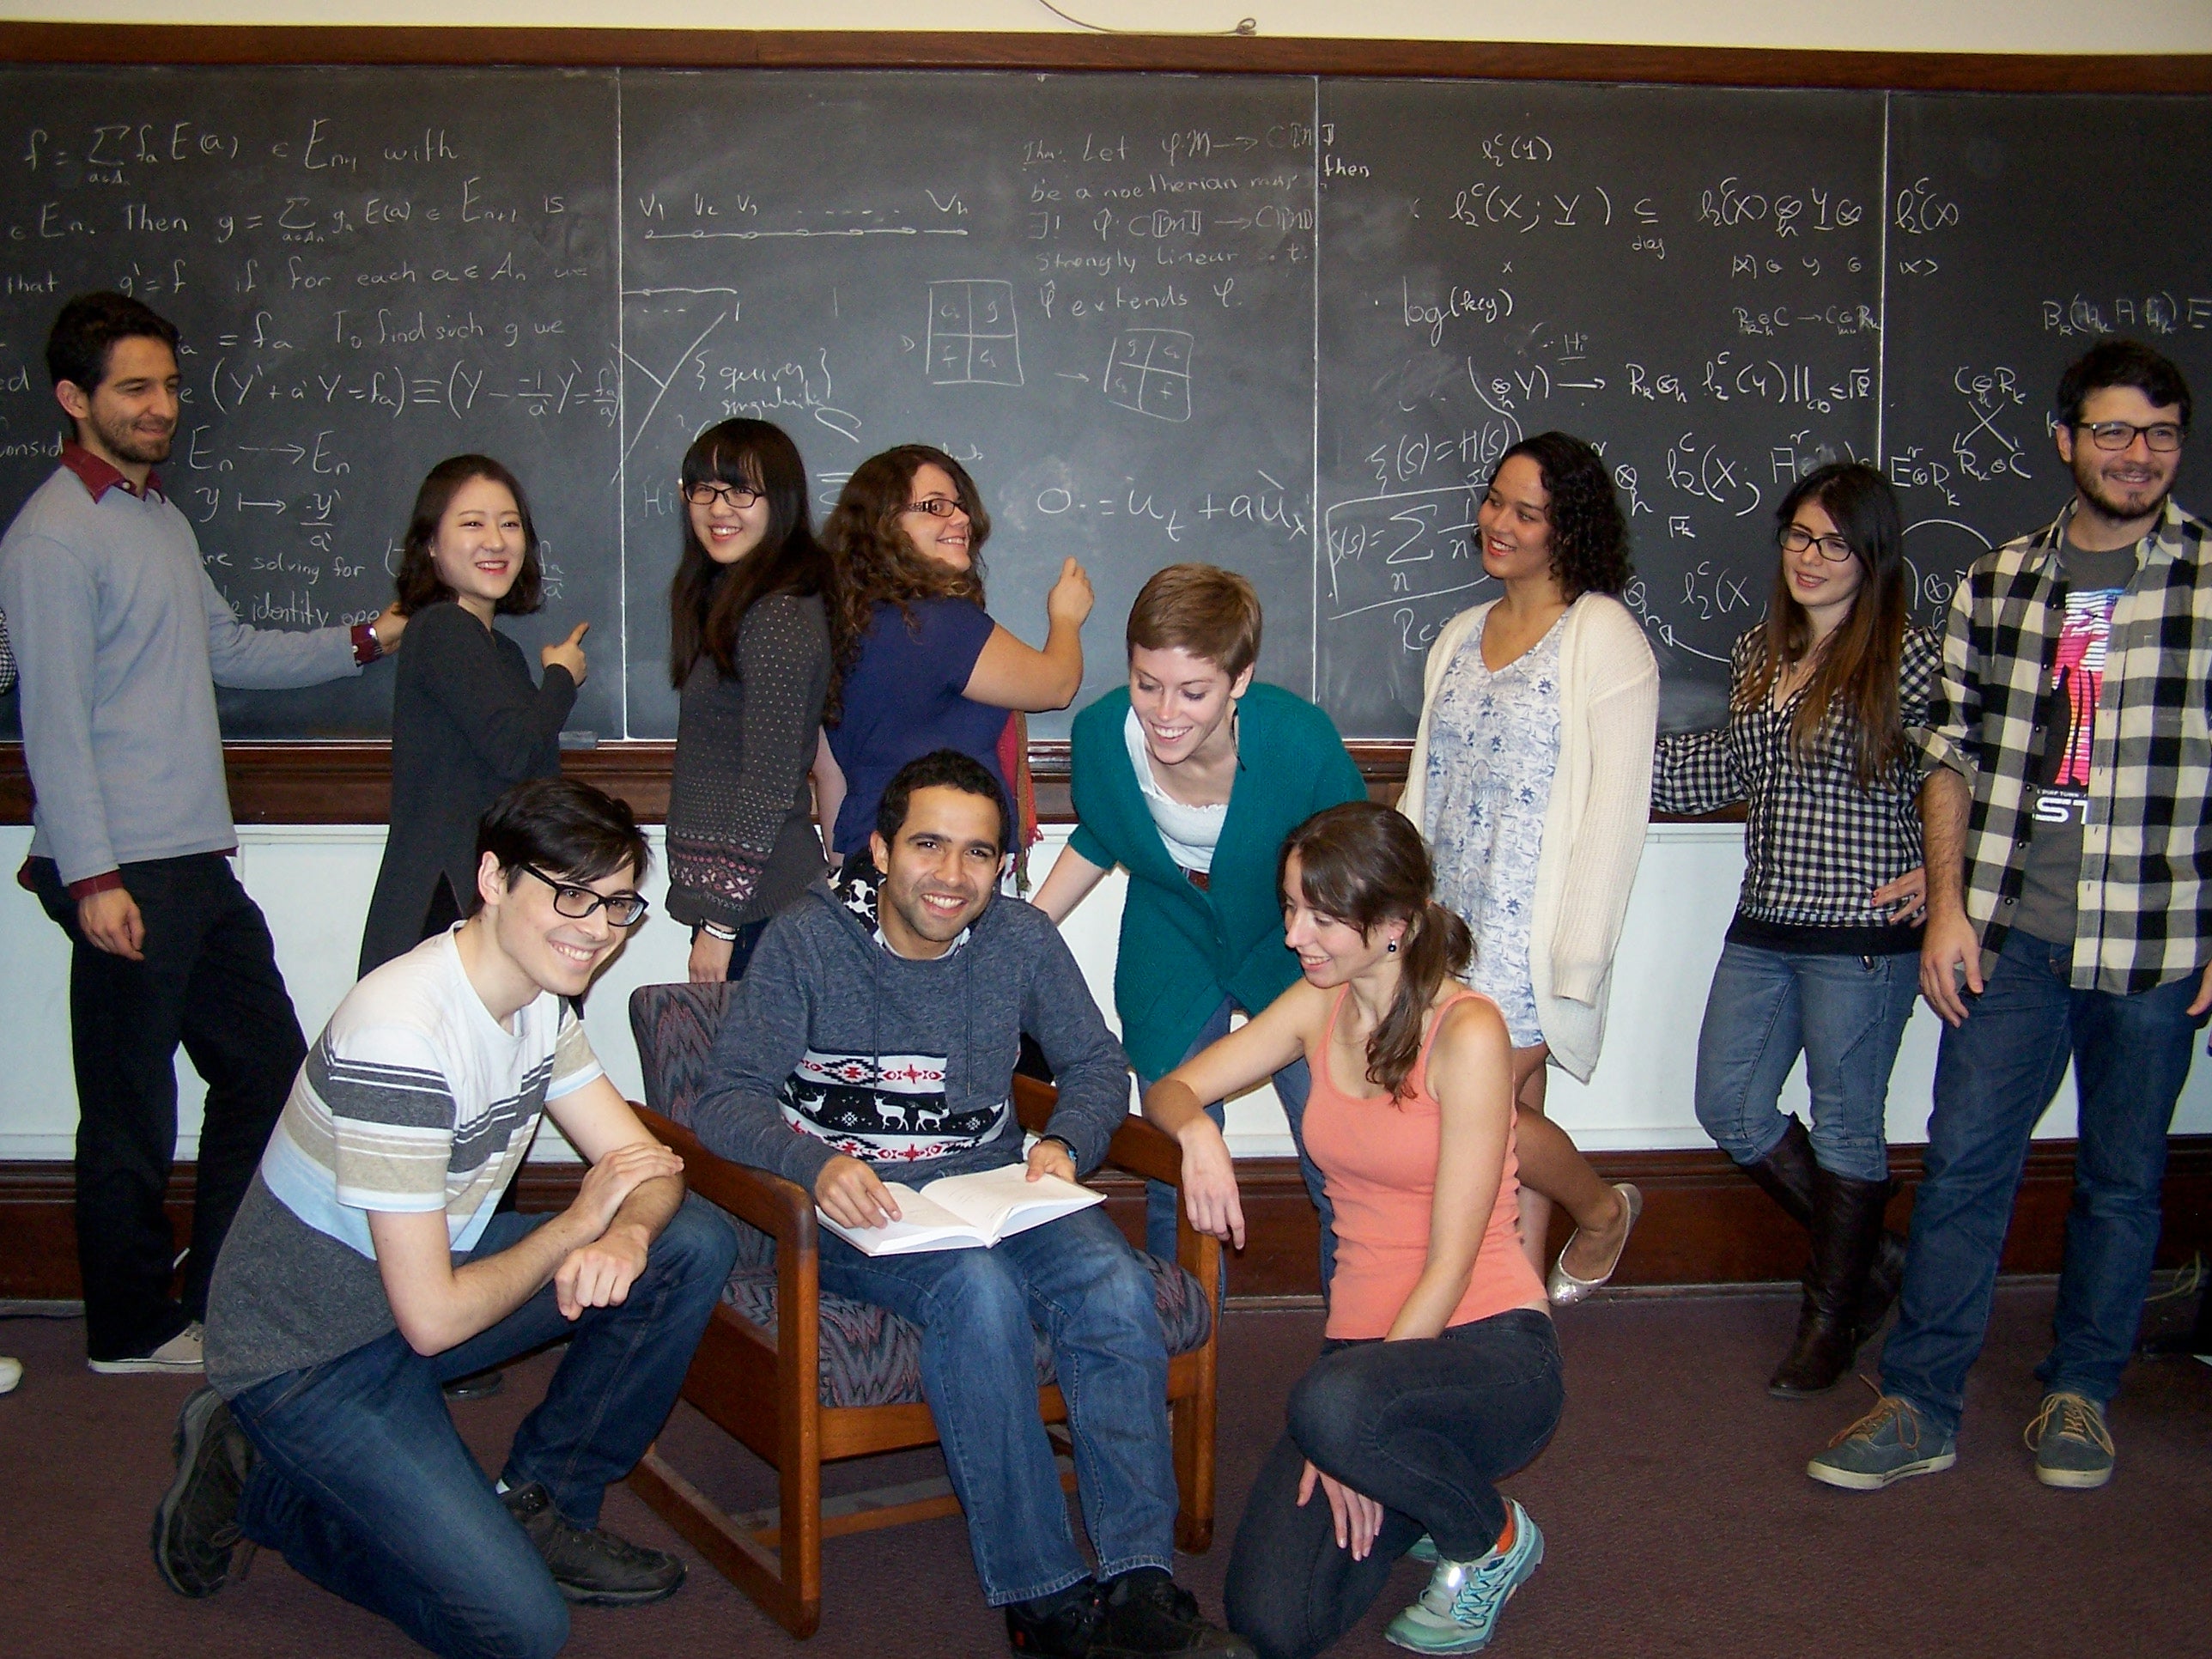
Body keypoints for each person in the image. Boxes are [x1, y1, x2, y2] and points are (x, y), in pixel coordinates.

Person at [156, 779, 738, 1656]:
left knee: (685, 1242)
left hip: (421, 1289)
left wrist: (621, 1228)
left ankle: (543, 1505)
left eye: (618, 903)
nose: (597, 929)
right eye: (570, 893)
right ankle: (257, 1485)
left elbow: (648, 1169)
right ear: (495, 879)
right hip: (308, 1352)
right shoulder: (404, 1036)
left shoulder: (539, 1000)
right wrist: (581, 1223)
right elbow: (432, 1322)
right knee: (516, 1629)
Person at [691, 749, 1250, 1659]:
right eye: (927, 846)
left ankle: (1141, 1582)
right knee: (977, 1296)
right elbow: (725, 1099)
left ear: (1002, 865)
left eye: (979, 854)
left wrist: (1067, 1142)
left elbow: (1096, 1066)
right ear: (879, 848)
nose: (952, 876)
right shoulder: (806, 938)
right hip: (851, 1214)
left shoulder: (1020, 939)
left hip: (995, 1190)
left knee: (1111, 1286)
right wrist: (812, 1162)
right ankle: (1042, 1599)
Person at [1809, 339, 2208, 1495]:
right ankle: (1921, 1404)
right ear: (2065, 440)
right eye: (2115, 431)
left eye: (2162, 433)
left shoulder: (2209, 582)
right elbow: (1948, 752)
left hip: (2157, 937)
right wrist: (1949, 906)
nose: (2138, 455)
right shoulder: (2000, 583)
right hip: (2013, 939)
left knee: (2124, 1179)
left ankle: (2082, 1393)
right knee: (1967, 1167)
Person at [0, 292, 406, 1376]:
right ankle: (129, 1329)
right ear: (73, 399)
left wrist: (371, 636)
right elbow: (52, 720)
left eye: (169, 386)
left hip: (190, 857)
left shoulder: (158, 518)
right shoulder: (52, 535)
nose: (160, 406)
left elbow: (228, 649)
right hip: (121, 862)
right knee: (130, 1103)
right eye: (134, 388)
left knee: (269, 1068)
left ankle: (209, 1295)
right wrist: (91, 876)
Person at [1148, 801, 1559, 1659]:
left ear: (1394, 924)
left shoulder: (1469, 1031)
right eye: (1291, 907)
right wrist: (1195, 1136)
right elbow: (1172, 1089)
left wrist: (1349, 1429)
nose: (1296, 934)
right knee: (1272, 1621)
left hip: (1481, 1345)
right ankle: (1404, 1479)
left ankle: (1488, 1538)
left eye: (1321, 917)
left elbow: (1448, 1267)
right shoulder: (1313, 1006)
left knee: (1333, 1405)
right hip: (1359, 1368)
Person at [1654, 461, 1936, 1396]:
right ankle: (1874, 1263)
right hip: (1765, 918)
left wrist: (1948, 875)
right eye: (1797, 537)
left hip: (1861, 931)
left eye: (1833, 542)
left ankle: (1828, 1322)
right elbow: (1722, 772)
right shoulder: (1756, 654)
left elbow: (1970, 774)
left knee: (1847, 1122)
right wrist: (1595, 765)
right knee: (1726, 1102)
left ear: (1871, 555)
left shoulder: (1913, 657)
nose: (1810, 558)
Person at [1034, 563, 1365, 1281]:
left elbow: (1360, 865)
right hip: (1172, 933)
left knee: (1336, 1155)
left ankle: (1363, 1347)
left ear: (1239, 680)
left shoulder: (1300, 741)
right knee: (1174, 1156)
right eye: (1146, 683)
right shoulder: (1099, 735)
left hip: (1294, 946)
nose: (1164, 712)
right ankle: (1181, 1356)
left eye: (1193, 691)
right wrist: (1021, 936)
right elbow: (1102, 834)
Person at [1398, 431, 1658, 1303]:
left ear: (1567, 529)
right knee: (1512, 1120)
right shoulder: (1458, 636)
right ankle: (1516, 1312)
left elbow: (1614, 821)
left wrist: (1573, 969)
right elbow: (1420, 792)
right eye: (1493, 500)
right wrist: (1397, 920)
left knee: (1471, 1116)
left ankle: (1600, 1211)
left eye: (1525, 512)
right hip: (1447, 930)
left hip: (1531, 942)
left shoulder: (1602, 637)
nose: (1496, 522)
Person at [357, 455, 588, 976]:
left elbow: (529, 776)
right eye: (472, 523)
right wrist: (560, 679)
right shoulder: (442, 627)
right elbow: (514, 748)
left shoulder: (497, 649)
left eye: (509, 524)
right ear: (431, 545)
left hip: (486, 891)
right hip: (443, 899)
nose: (496, 540)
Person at [817, 444, 1093, 866]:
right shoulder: (939, 624)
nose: (961, 519)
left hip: (868, 859)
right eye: (935, 507)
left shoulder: (845, 627)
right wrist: (1066, 618)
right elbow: (1056, 685)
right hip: (943, 867)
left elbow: (832, 773)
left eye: (959, 506)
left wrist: (842, 881)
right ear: (883, 525)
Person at [664, 418, 841, 982]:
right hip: (749, 908)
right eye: (705, 489)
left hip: (762, 913)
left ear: (780, 502)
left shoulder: (777, 615)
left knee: (750, 1073)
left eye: (743, 491)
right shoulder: (732, 599)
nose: (720, 508)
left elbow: (767, 785)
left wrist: (720, 927)